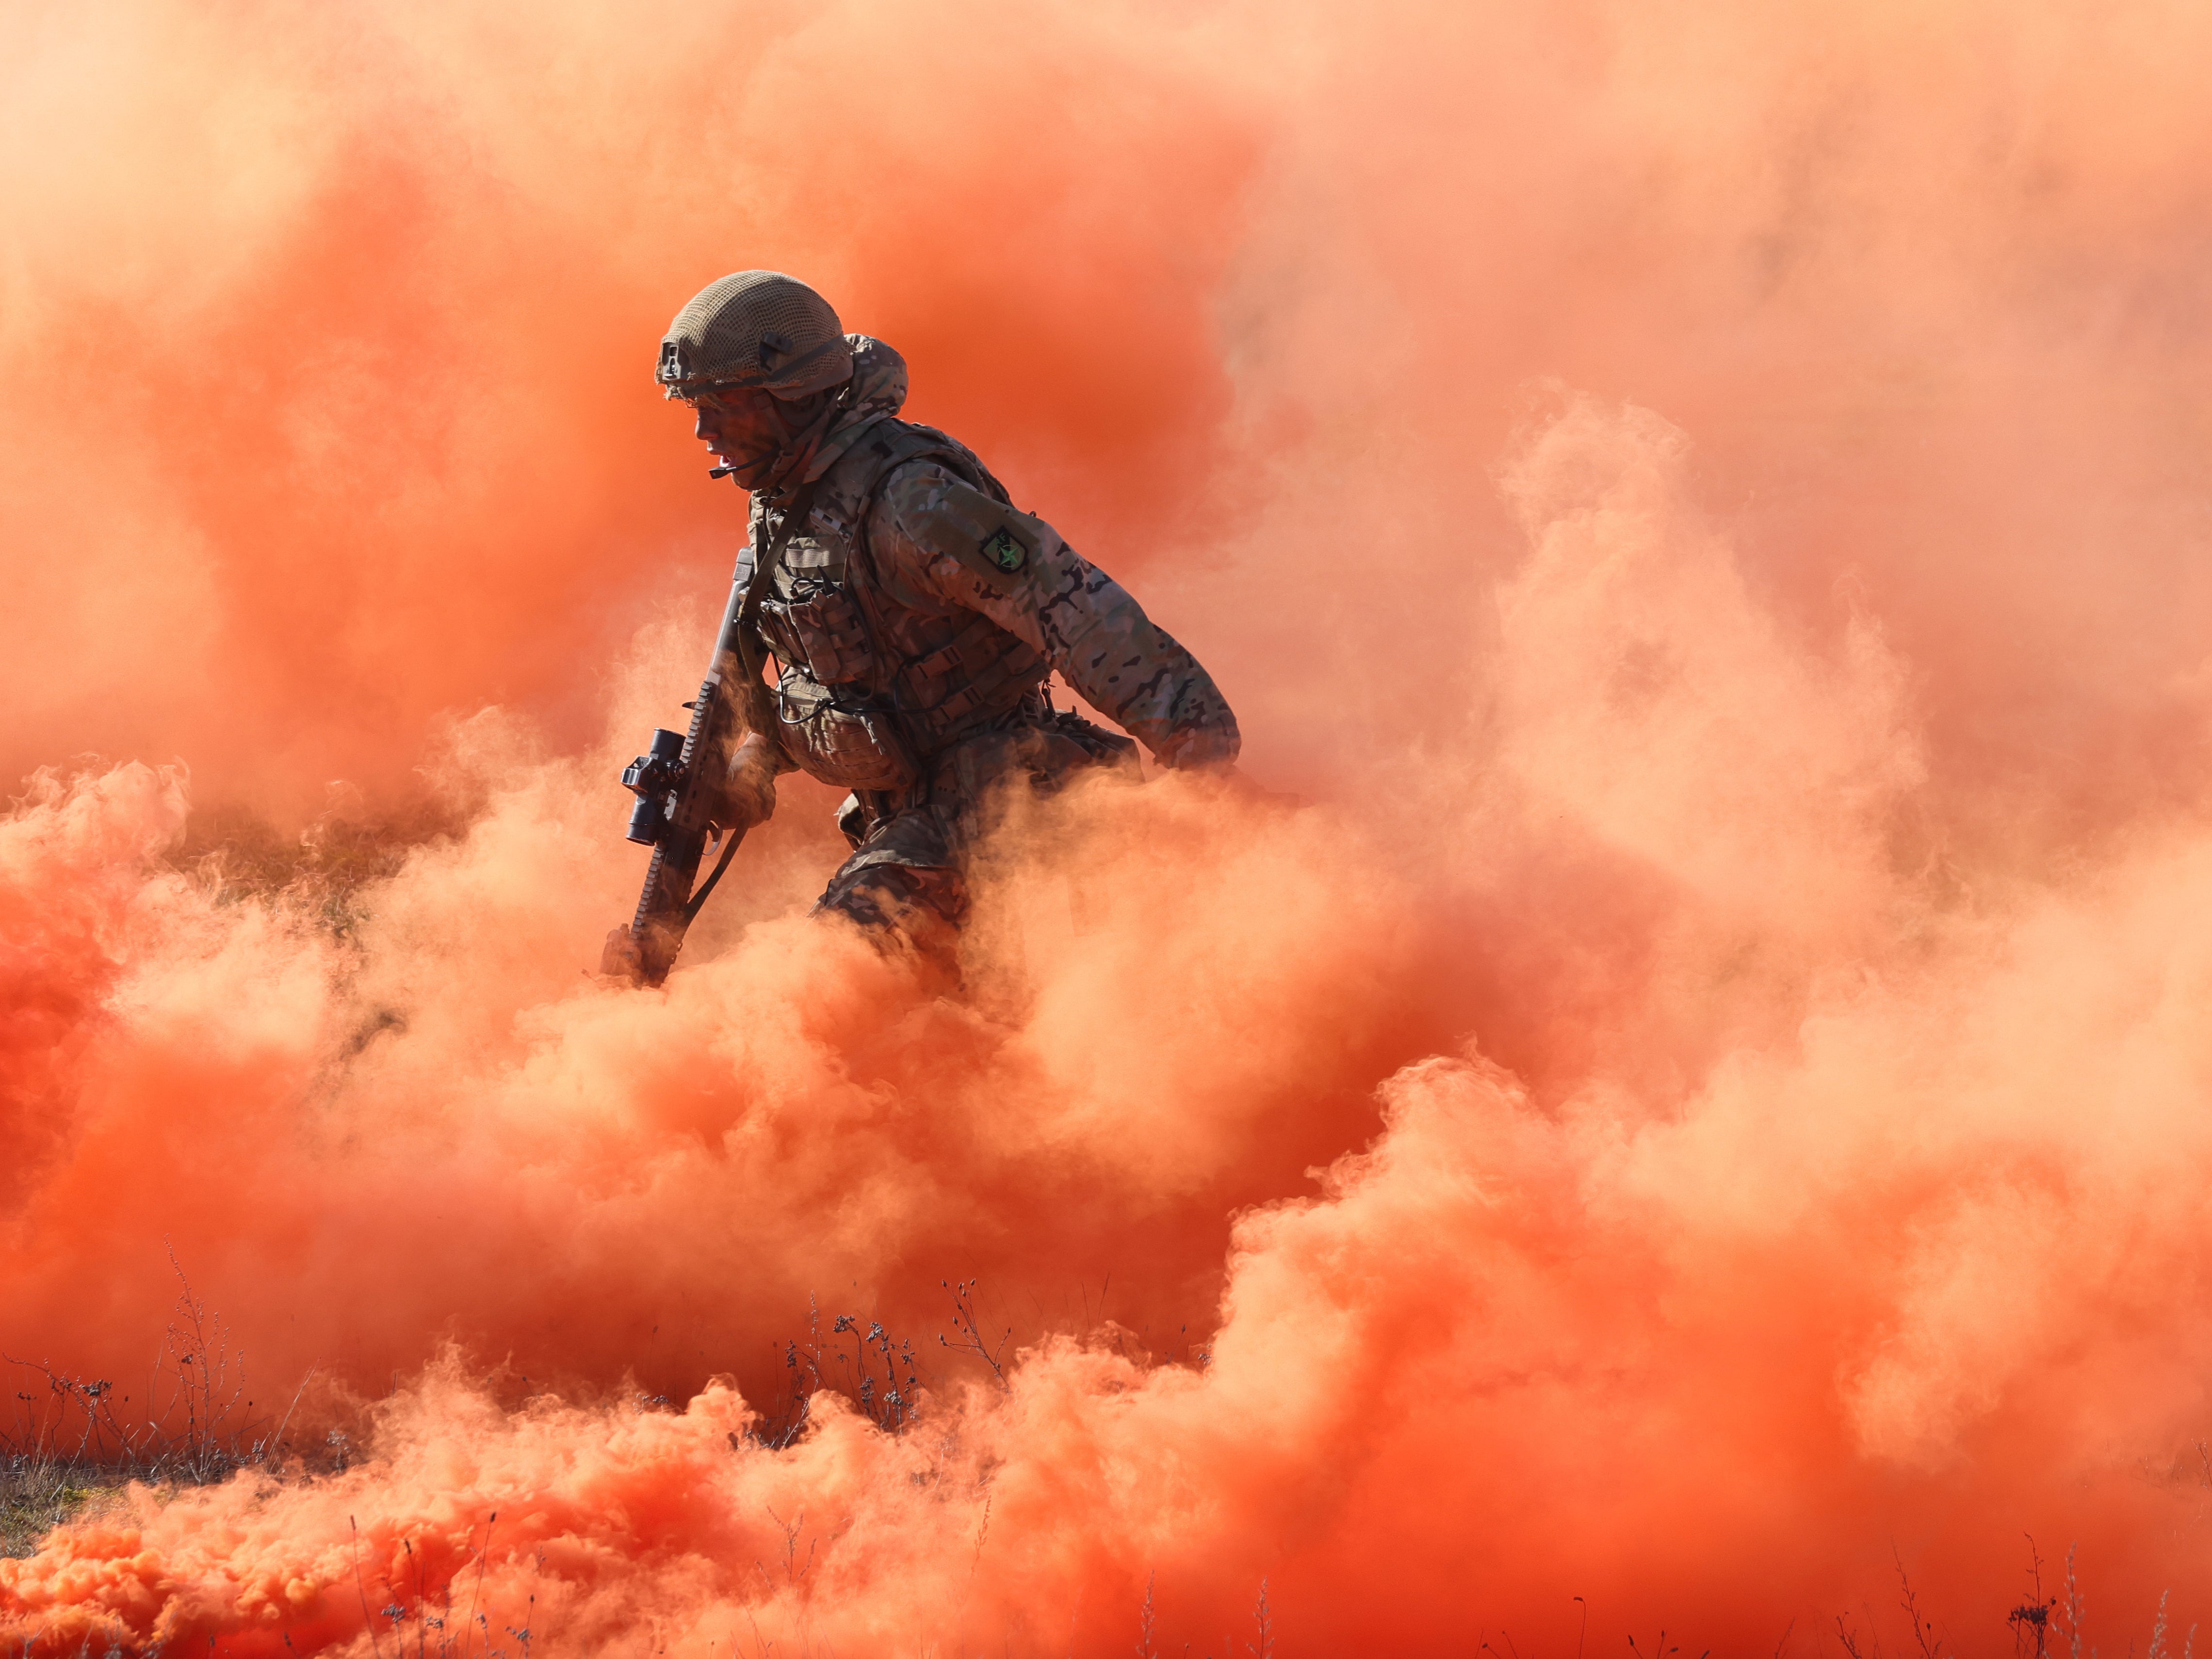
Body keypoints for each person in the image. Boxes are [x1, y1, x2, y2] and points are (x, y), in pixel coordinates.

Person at [653, 269, 1240, 958]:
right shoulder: (787, 507)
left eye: (723, 403)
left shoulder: (909, 500)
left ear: (789, 395)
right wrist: (751, 768)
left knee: (825, 987)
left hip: (1008, 806)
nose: (702, 428)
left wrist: (1197, 759)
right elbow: (846, 682)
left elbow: (1069, 608)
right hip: (916, 827)